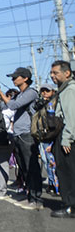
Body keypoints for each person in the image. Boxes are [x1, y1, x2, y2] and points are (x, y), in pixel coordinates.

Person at [0, 67, 42, 209]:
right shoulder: (19, 94)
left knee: (31, 167)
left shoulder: (31, 92)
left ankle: (36, 199)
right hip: (18, 134)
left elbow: (13, 106)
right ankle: (30, 195)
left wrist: (0, 92)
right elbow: (3, 106)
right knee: (23, 167)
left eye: (15, 77)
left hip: (27, 134)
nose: (12, 80)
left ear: (25, 78)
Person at [50, 61, 74, 218]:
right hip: (65, 135)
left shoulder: (69, 90)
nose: (52, 76)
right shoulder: (64, 89)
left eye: (55, 73)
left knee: (67, 172)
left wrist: (66, 138)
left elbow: (71, 117)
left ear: (66, 73)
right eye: (51, 73)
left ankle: (70, 206)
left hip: (67, 137)